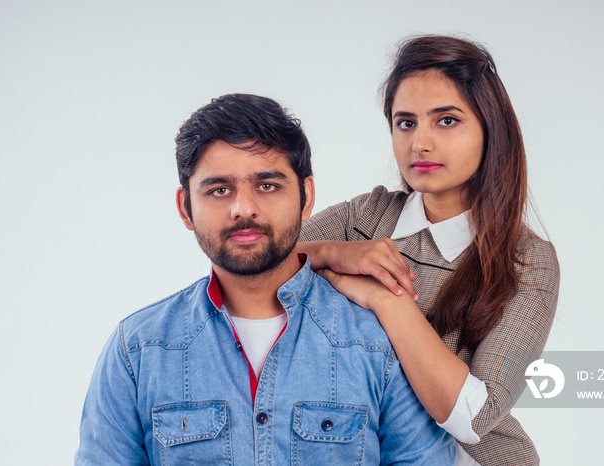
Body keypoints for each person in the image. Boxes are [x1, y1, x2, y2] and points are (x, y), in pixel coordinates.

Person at [75, 93, 457, 464]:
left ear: (306, 196)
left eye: (267, 186)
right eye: (219, 190)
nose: (244, 209)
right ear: (186, 208)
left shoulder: (379, 343)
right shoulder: (138, 351)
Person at [298, 35, 560, 465]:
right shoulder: (366, 217)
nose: (419, 143)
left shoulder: (525, 261)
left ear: (489, 130)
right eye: (406, 123)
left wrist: (388, 299)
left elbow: (477, 417)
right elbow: (251, 270)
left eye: (447, 121)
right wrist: (335, 253)